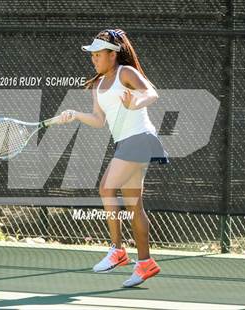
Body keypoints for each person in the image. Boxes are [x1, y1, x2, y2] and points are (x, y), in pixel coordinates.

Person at [58, 28, 169, 287]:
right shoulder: (97, 84)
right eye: (92, 55)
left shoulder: (126, 73)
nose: (93, 58)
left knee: (107, 187)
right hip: (126, 143)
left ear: (112, 54)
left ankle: (118, 251)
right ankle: (145, 263)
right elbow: (99, 121)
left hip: (140, 139)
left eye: (98, 54)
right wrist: (75, 114)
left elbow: (151, 94)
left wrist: (135, 103)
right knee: (134, 205)